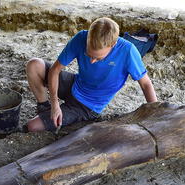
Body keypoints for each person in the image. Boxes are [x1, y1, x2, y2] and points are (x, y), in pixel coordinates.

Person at [25, 17, 157, 132]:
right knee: (34, 65)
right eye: (89, 55)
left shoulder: (128, 51)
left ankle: (54, 118)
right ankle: (44, 107)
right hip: (75, 84)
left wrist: (155, 114)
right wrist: (54, 104)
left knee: (32, 127)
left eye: (98, 58)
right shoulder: (81, 37)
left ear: (113, 44)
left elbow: (145, 84)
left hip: (87, 106)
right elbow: (55, 70)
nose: (92, 61)